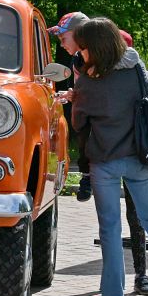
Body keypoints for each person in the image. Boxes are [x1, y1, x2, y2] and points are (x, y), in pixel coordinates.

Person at [71, 17, 148, 296]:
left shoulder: (88, 81)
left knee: (110, 228)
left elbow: (79, 122)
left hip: (105, 163)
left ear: (92, 48)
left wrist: (77, 96)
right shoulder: (137, 69)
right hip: (141, 159)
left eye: (83, 48)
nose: (81, 53)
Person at [48, 12, 92, 202]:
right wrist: (73, 95)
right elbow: (84, 89)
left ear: (80, 33)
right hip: (91, 122)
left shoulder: (104, 57)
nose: (61, 44)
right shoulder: (77, 60)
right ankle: (88, 175)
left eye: (63, 38)